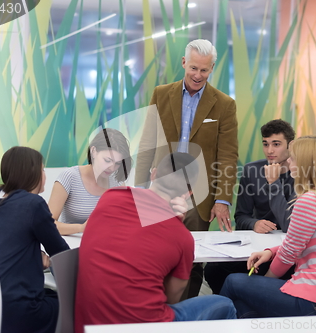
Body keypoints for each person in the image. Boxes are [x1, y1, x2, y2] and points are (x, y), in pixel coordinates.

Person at [74, 153, 236, 333]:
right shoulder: (182, 238)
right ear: (189, 193)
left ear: (153, 174)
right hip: (147, 327)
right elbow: (172, 299)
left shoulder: (110, 196)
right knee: (224, 304)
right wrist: (176, 225)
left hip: (88, 326)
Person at [135, 39, 238, 298]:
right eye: (193, 68)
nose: (198, 75)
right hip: (161, 188)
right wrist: (139, 189)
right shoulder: (161, 94)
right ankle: (157, 311)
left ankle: (187, 315)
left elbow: (228, 155)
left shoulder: (224, 104)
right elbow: (148, 141)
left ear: (212, 68)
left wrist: (223, 199)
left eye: (204, 70)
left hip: (199, 193)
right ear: (184, 63)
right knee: (154, 254)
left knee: (191, 259)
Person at [220, 135, 316, 318]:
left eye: (292, 158)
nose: (288, 161)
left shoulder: (309, 200)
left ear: (304, 164)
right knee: (241, 303)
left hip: (313, 300)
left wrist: (263, 281)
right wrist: (271, 251)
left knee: (232, 282)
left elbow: (290, 253)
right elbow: (299, 241)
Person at [0, 146, 70, 333]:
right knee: (71, 305)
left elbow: (6, 245)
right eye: (43, 169)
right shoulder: (34, 204)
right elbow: (61, 253)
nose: (45, 175)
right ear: (33, 173)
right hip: (17, 313)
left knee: (49, 295)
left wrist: (32, 258)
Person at [204, 119, 296, 294]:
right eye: (265, 144)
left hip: (286, 248)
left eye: (276, 144)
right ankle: (232, 308)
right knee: (212, 269)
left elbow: (289, 224)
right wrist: (254, 223)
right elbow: (241, 216)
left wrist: (274, 182)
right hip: (257, 245)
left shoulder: (299, 172)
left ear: (290, 145)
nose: (270, 150)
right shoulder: (252, 170)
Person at [48, 128, 132, 235]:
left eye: (117, 163)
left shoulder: (117, 182)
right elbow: (47, 224)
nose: (112, 168)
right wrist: (81, 228)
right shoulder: (69, 177)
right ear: (93, 151)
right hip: (72, 247)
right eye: (107, 160)